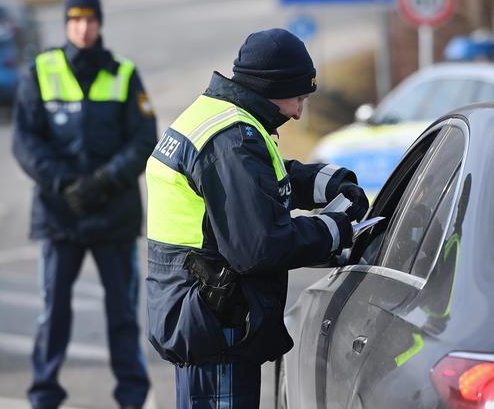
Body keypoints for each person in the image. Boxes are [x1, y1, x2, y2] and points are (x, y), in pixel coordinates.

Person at [145, 28, 369, 408]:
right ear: (270, 87)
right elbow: (260, 246)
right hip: (217, 323)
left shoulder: (222, 119)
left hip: (203, 315)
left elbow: (260, 181)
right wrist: (339, 229)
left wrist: (329, 181)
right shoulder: (231, 139)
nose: (299, 112)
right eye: (298, 98)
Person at [12, 0, 155, 409]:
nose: (83, 27)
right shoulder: (41, 70)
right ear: (66, 24)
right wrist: (64, 183)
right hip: (60, 216)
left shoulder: (125, 74)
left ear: (100, 23)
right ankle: (44, 394)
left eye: (90, 20)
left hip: (114, 215)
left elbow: (144, 138)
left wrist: (103, 182)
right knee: (52, 311)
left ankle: (132, 398)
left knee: (123, 315)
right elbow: (25, 140)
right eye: (75, 20)